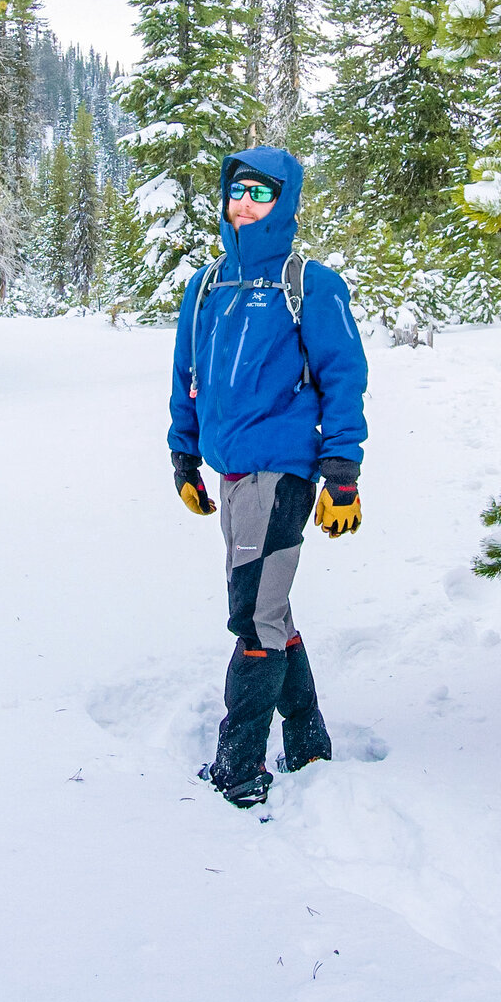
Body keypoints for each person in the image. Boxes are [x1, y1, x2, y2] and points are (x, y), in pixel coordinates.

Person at [169, 146, 369, 810]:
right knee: (270, 609)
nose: (246, 204)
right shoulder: (204, 287)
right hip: (228, 474)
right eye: (238, 192)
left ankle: (241, 767)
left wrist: (342, 473)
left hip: (282, 474)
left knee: (252, 620)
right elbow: (185, 381)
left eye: (262, 194)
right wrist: (183, 457)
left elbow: (345, 378)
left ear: (284, 203)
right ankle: (308, 742)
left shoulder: (311, 284)